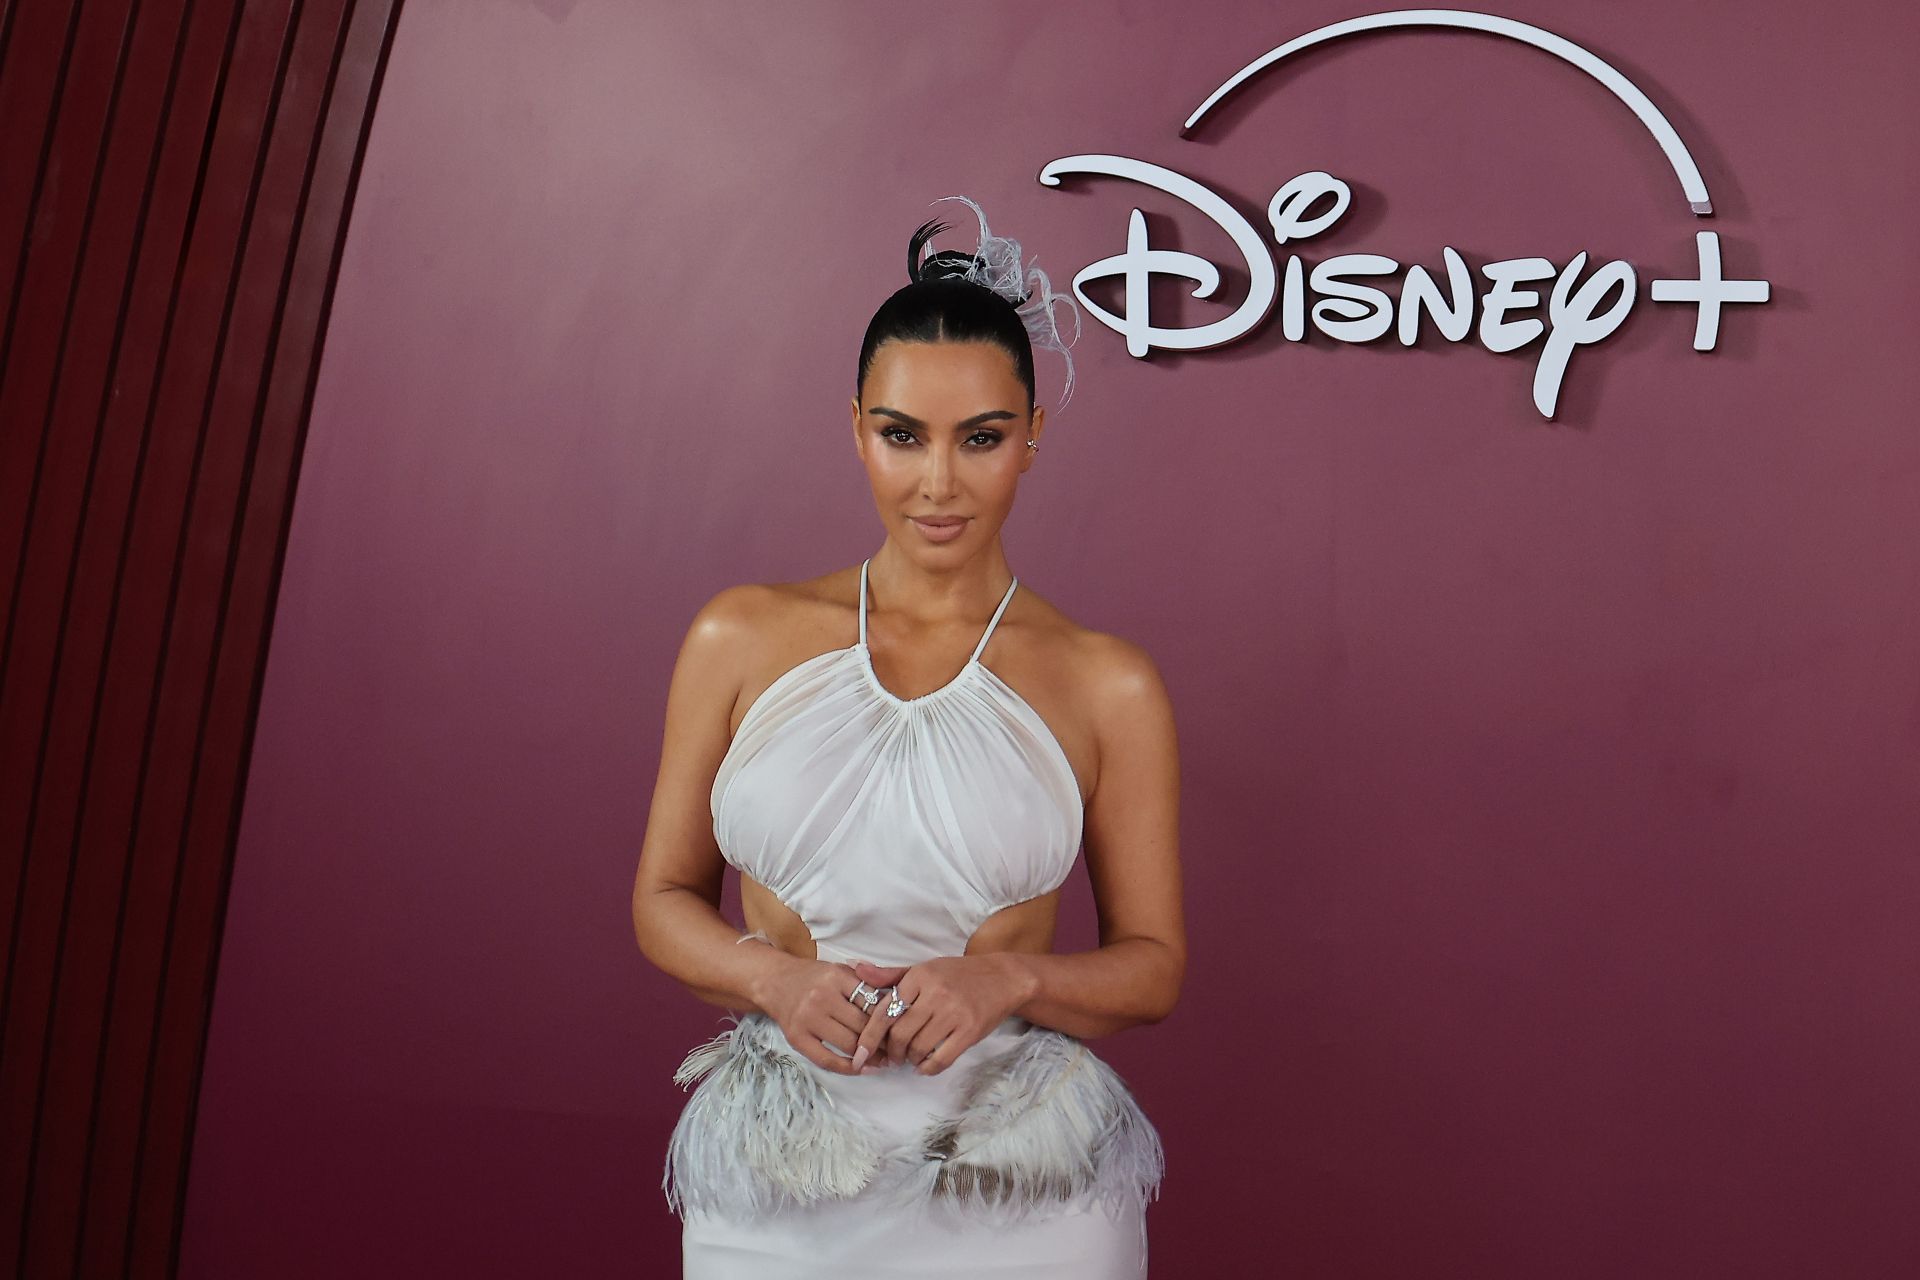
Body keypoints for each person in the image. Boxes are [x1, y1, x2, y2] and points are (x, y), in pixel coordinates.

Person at [631, 195, 1186, 1278]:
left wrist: (1011, 982)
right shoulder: (738, 636)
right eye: (902, 436)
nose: (939, 482)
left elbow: (1154, 968)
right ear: (856, 429)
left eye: (981, 438)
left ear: (1032, 435)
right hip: (781, 1184)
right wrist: (773, 981)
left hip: (1019, 1188)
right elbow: (661, 900)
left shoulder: (1105, 682)